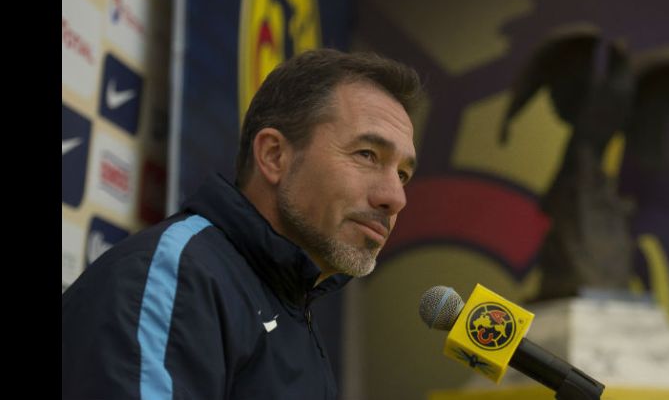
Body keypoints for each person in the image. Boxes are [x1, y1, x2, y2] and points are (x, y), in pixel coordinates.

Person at [62, 49, 422, 399]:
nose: (396, 197)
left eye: (403, 175)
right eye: (367, 155)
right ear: (274, 156)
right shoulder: (176, 277)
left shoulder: (292, 307)